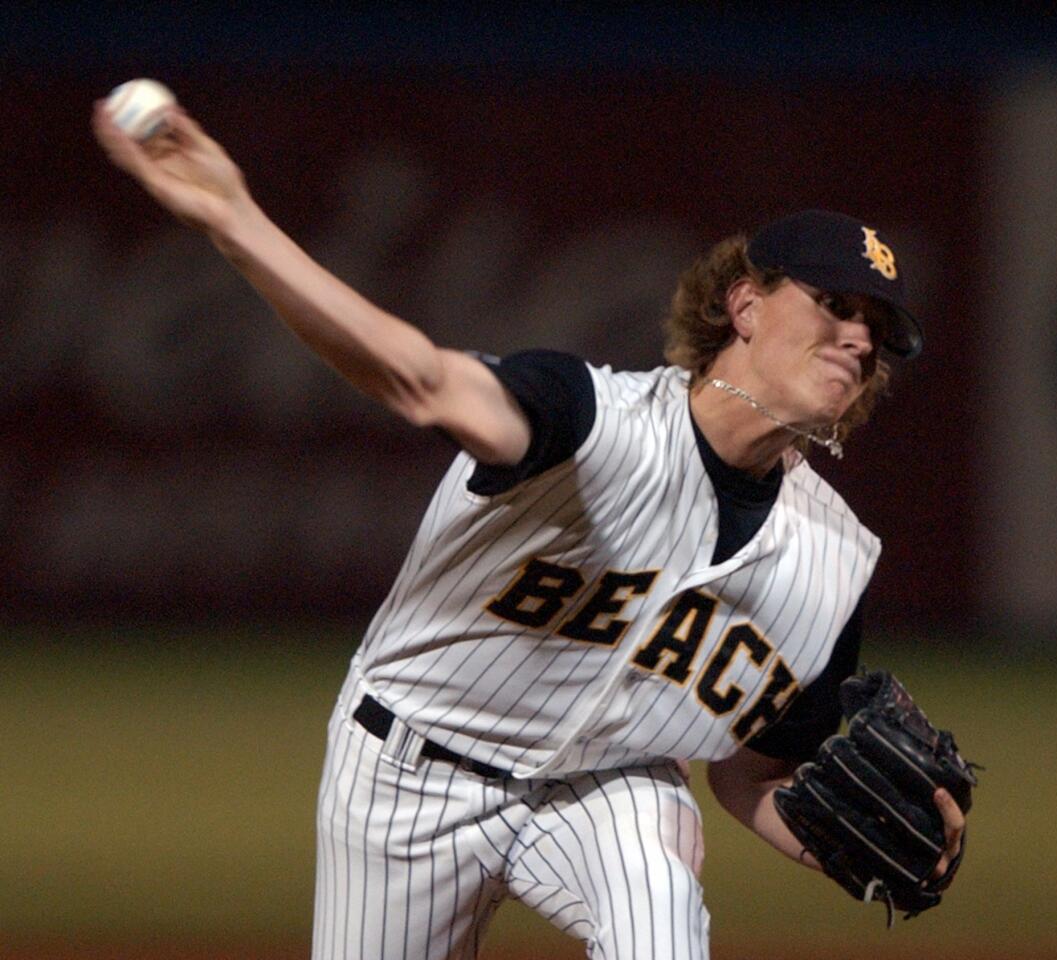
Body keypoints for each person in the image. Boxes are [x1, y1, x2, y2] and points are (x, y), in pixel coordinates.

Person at [93, 98, 965, 960]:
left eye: (879, 329)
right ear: (744, 306)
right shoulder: (589, 424)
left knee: (658, 925)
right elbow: (418, 380)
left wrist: (819, 838)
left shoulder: (832, 562)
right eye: (834, 305)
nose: (859, 338)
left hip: (607, 786)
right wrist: (234, 217)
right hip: (408, 773)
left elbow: (755, 769)